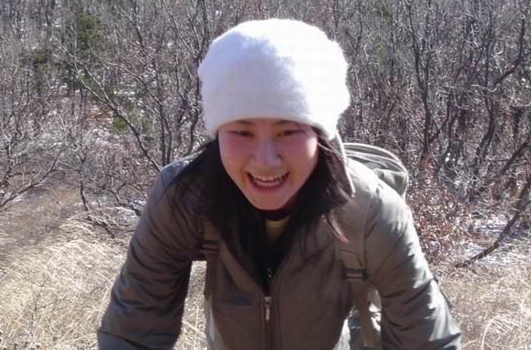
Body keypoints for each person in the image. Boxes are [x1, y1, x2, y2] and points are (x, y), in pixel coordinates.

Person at [98, 19, 462, 350]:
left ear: (319, 134)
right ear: (217, 133)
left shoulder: (369, 209)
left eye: (287, 131)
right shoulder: (184, 198)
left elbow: (428, 341)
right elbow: (133, 331)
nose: (265, 160)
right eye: (242, 132)